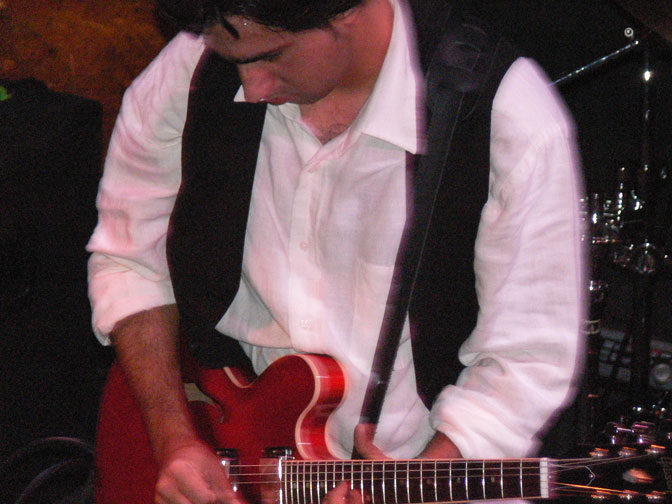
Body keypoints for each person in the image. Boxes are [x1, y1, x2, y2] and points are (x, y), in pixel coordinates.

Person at [86, 0, 585, 502]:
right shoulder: (193, 68)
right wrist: (173, 439)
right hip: (227, 440)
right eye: (236, 61)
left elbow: (526, 360)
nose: (251, 87)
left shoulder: (504, 112)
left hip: (417, 473)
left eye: (271, 56)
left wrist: (423, 480)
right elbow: (131, 258)